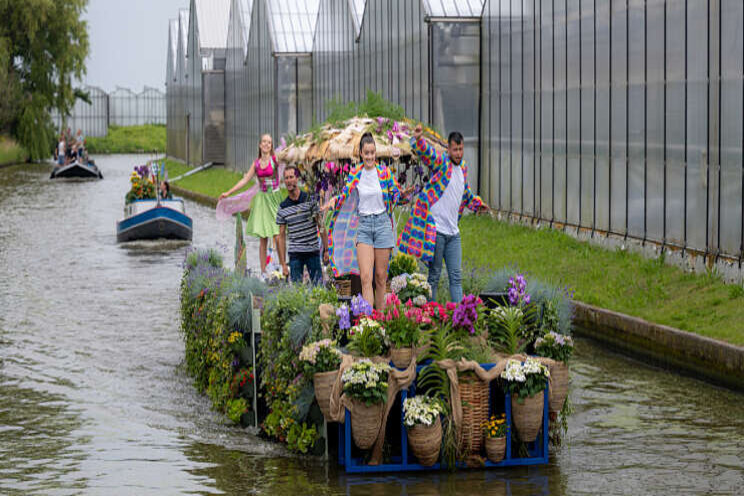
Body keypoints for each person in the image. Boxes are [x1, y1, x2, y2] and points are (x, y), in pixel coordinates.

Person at [398, 124, 490, 303]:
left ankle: (459, 316)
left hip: (453, 233)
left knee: (456, 276)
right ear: (448, 149)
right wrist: (418, 140)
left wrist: (478, 205)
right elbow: (428, 155)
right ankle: (430, 315)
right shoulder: (442, 163)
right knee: (434, 275)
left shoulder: (463, 168)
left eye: (461, 149)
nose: (458, 153)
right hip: (437, 230)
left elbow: (465, 193)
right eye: (455, 149)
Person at [327, 132, 413, 309]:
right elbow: (344, 194)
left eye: (373, 152)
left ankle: (380, 320)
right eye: (366, 153)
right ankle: (368, 323)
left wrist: (404, 195)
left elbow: (396, 195)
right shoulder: (355, 173)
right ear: (360, 153)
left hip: (382, 224)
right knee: (365, 277)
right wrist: (334, 200)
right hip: (364, 225)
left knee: (380, 277)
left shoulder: (384, 172)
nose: (370, 156)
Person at [219, 134, 285, 274]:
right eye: (264, 142)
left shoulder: (275, 159)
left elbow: (289, 157)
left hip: (274, 198)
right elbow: (244, 181)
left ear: (271, 146)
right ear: (260, 145)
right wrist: (228, 192)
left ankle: (282, 266)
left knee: (277, 235)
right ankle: (263, 271)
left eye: (269, 142)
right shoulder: (256, 164)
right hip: (262, 200)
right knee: (263, 237)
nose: (267, 144)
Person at [276, 166, 328, 284]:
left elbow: (321, 224)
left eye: (291, 177)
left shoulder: (309, 200)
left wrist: (326, 249)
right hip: (295, 255)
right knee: (297, 292)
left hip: (312, 251)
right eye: (286, 178)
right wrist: (283, 264)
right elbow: (281, 236)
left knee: (318, 288)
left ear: (297, 179)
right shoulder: (283, 207)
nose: (289, 180)